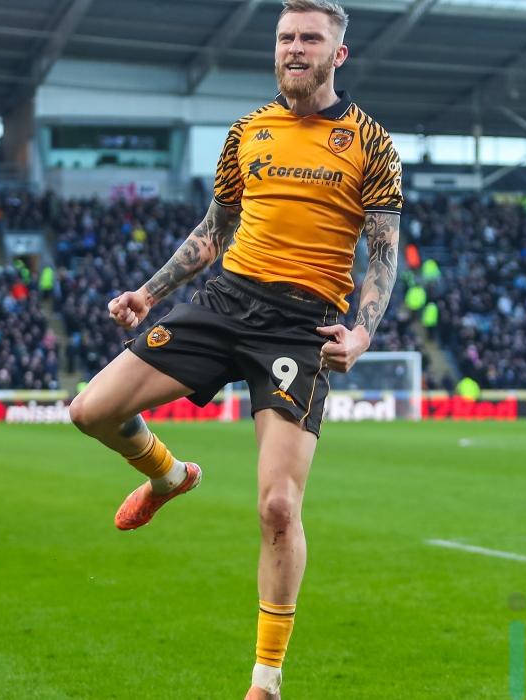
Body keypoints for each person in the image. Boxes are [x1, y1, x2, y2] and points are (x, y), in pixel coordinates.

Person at [67, 1, 402, 697]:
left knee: (278, 508)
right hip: (223, 301)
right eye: (286, 37)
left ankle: (265, 681)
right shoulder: (246, 131)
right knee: (90, 411)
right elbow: (214, 229)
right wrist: (149, 292)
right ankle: (167, 476)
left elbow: (383, 254)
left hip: (300, 327)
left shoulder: (371, 142)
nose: (295, 48)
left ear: (338, 54)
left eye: (310, 38)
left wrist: (363, 331)